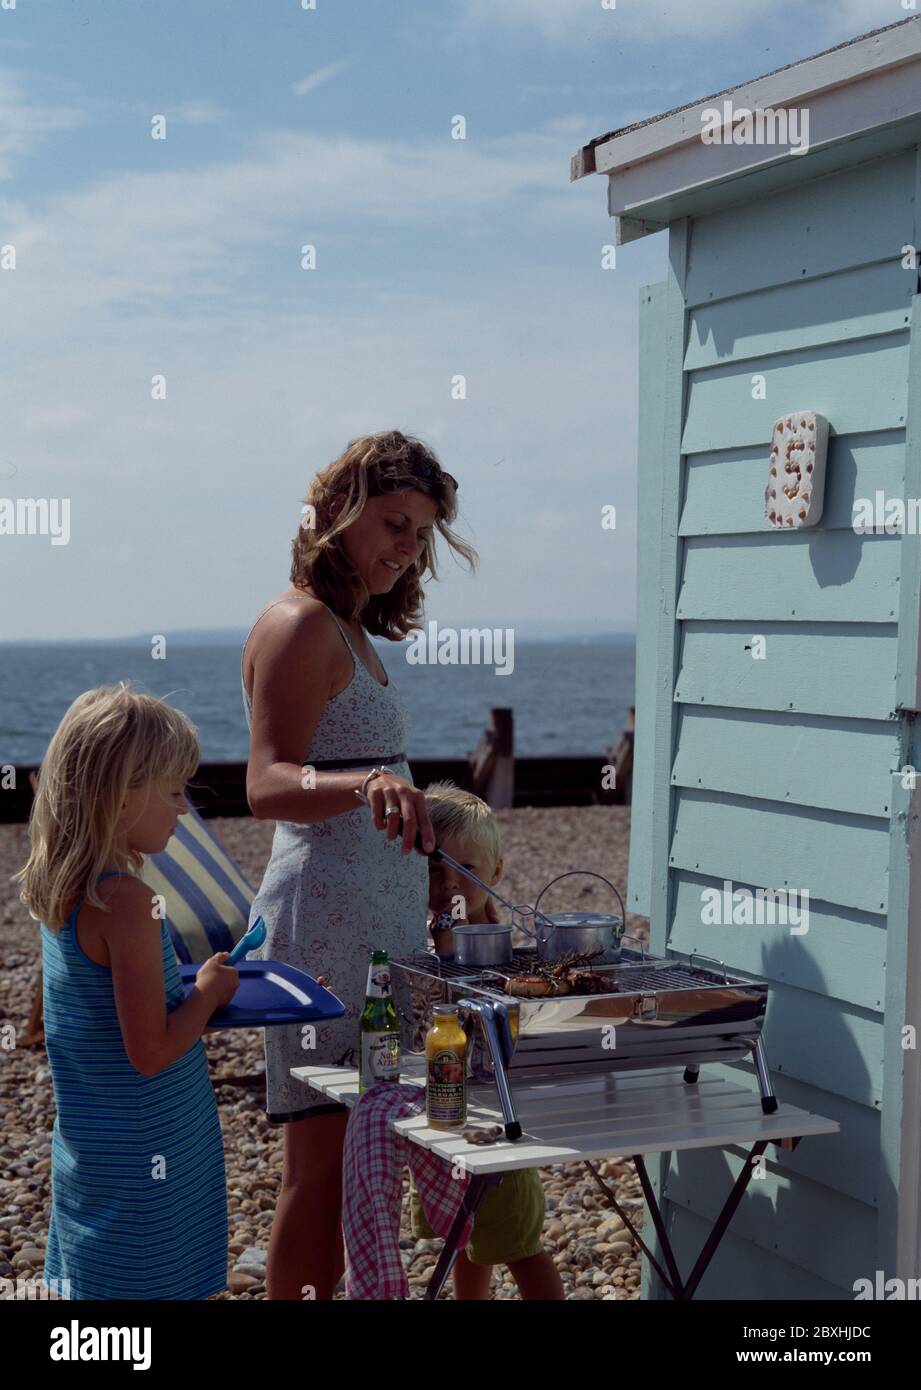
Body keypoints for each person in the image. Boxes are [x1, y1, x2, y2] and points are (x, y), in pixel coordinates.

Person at [241, 429, 476, 1300]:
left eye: (417, 533)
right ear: (336, 515)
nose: (404, 547)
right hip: (319, 933)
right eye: (390, 522)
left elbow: (351, 778)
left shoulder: (351, 630)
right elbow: (265, 783)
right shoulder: (301, 623)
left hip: (370, 933)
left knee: (355, 1156)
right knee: (318, 1158)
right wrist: (366, 781)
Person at [14, 683, 238, 1300]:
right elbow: (151, 1050)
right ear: (117, 794)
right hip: (150, 1151)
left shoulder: (66, 894)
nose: (186, 809)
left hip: (95, 1145)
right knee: (148, 1286)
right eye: (172, 792)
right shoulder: (130, 904)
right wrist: (209, 994)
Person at [412, 780, 564, 1300]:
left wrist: (452, 953)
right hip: (443, 1113)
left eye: (466, 869)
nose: (447, 880)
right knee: (461, 1237)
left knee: (518, 1244)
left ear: (496, 874)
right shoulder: (413, 941)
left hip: (499, 1122)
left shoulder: (503, 956)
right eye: (433, 865)